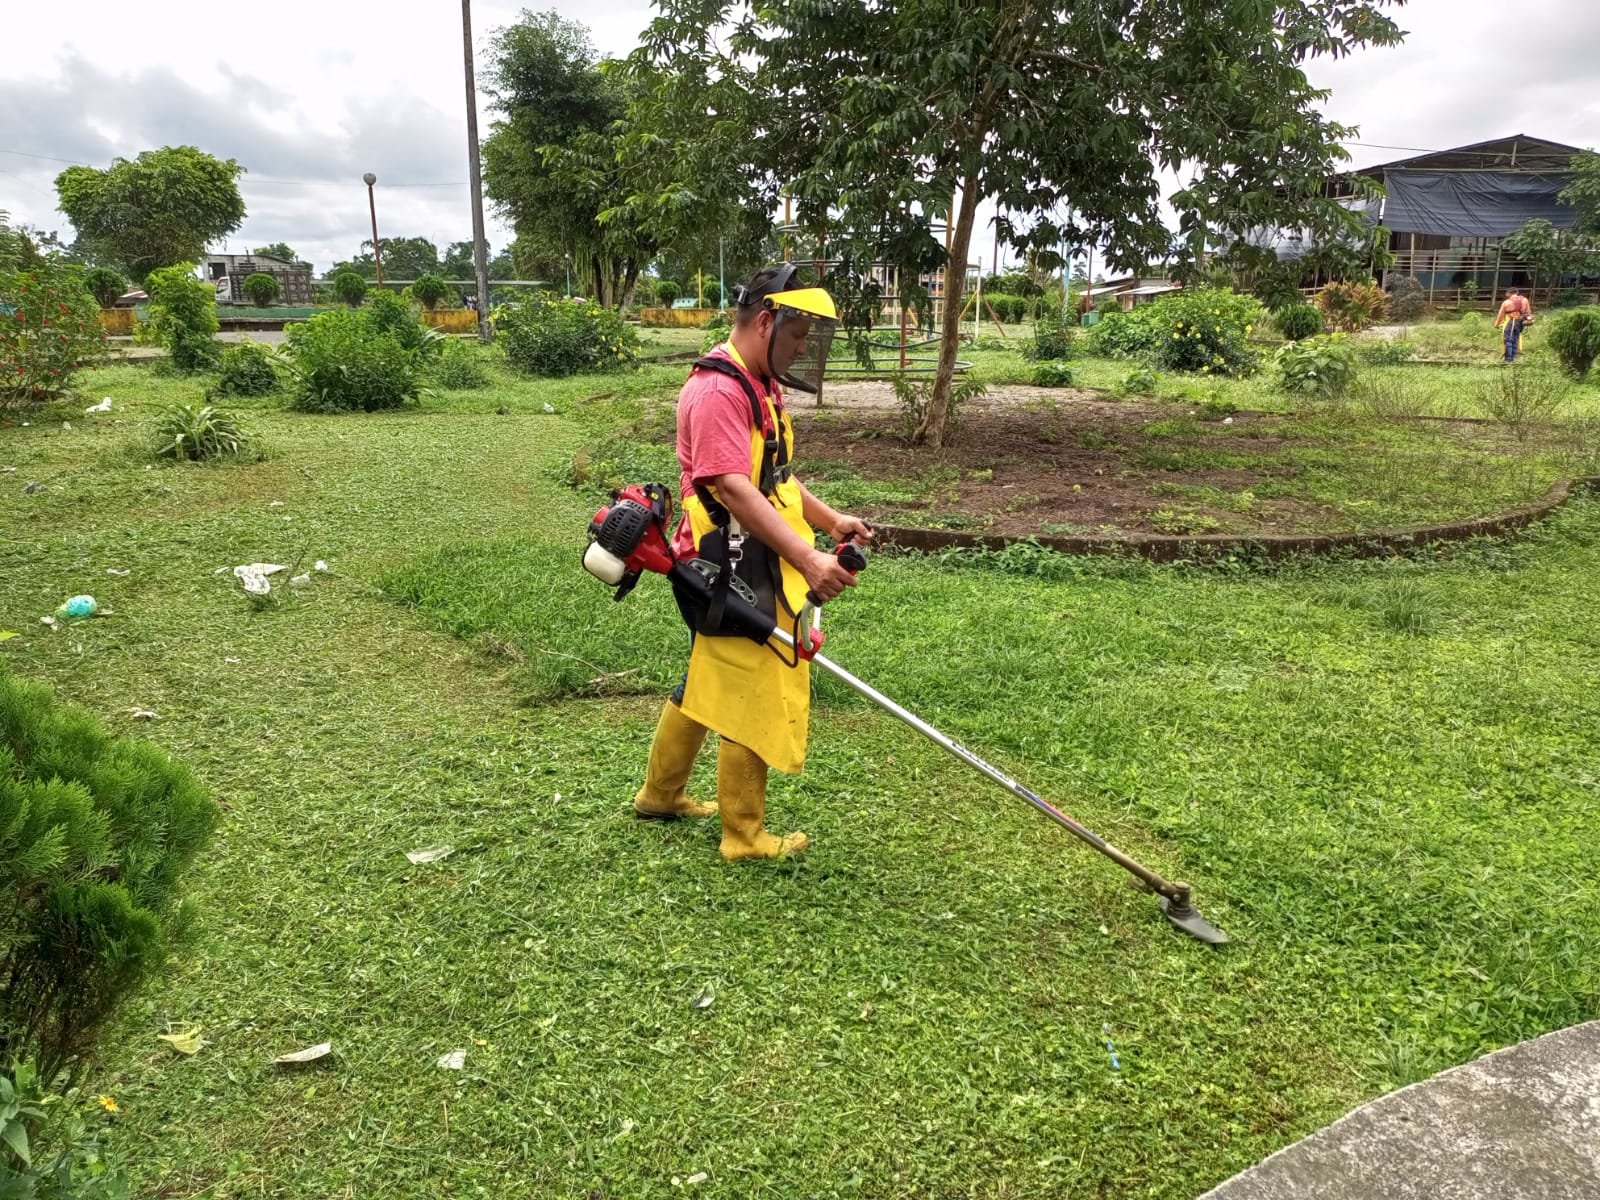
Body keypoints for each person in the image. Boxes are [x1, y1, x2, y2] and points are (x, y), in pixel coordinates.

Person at [632, 264, 873, 859]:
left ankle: (661, 794)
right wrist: (809, 559)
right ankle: (743, 835)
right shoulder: (719, 391)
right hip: (724, 565)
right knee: (752, 685)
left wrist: (830, 520)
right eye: (797, 335)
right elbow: (734, 489)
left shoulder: (757, 382)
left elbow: (775, 477)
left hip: (745, 559)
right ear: (766, 321)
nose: (802, 349)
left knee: (708, 677)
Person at [1495, 287, 1533, 362]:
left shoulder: (1507, 302)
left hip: (1511, 321)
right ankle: (1513, 357)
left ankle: (1509, 359)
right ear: (1517, 292)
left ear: (1508, 293)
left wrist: (1497, 324)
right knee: (1515, 339)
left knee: (1508, 339)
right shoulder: (1524, 300)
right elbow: (1528, 312)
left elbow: (1501, 314)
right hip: (1521, 321)